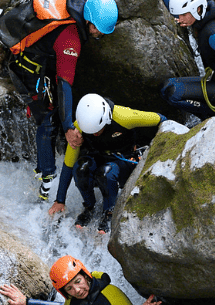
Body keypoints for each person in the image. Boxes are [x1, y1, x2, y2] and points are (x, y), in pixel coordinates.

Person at [0, 0, 119, 201]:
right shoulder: (70, 40)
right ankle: (47, 177)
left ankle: (44, 169)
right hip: (25, 66)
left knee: (51, 114)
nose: (98, 35)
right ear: (90, 21)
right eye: (98, 31)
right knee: (48, 119)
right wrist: (68, 127)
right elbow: (64, 85)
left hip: (33, 47)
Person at [47, 94, 165, 234]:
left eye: (98, 130)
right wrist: (60, 199)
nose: (95, 134)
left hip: (124, 162)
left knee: (106, 173)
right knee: (80, 168)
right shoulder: (80, 126)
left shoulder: (124, 117)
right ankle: (90, 207)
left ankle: (109, 212)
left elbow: (161, 119)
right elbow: (68, 165)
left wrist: (160, 151)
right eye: (92, 132)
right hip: (99, 158)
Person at [0, 255, 161, 305]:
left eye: (77, 282)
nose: (76, 290)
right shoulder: (72, 301)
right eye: (69, 288)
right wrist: (26, 301)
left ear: (86, 276)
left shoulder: (109, 294)